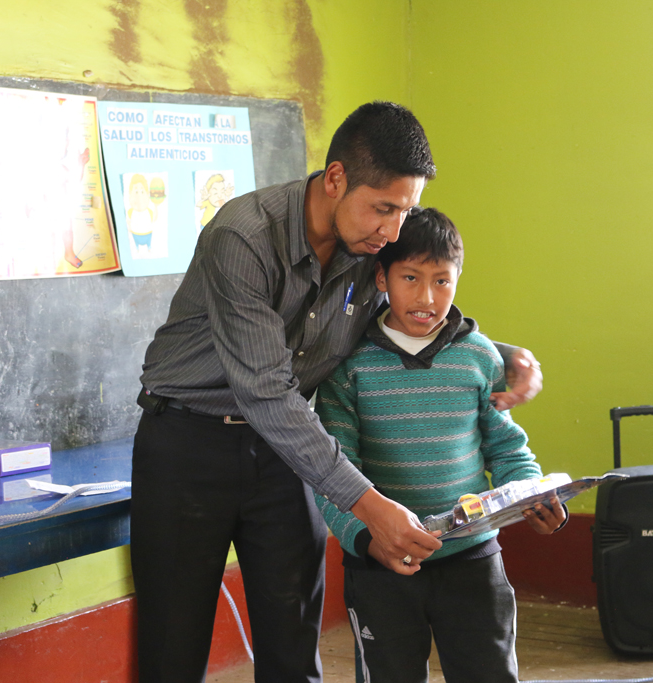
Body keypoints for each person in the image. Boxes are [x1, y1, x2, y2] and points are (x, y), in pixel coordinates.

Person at [131, 101, 543, 683]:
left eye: (406, 211)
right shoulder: (243, 238)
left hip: (289, 451)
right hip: (189, 443)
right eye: (383, 209)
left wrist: (502, 355)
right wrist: (369, 505)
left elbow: (404, 317)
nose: (393, 232)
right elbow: (266, 390)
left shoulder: (367, 248)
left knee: (294, 638)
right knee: (173, 645)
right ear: (335, 179)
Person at [312, 207, 565, 683]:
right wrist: (367, 540)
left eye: (442, 281)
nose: (427, 297)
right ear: (382, 278)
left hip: (472, 560)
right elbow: (334, 471)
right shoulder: (348, 366)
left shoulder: (479, 357)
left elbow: (507, 450)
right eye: (410, 277)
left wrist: (532, 496)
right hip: (381, 564)